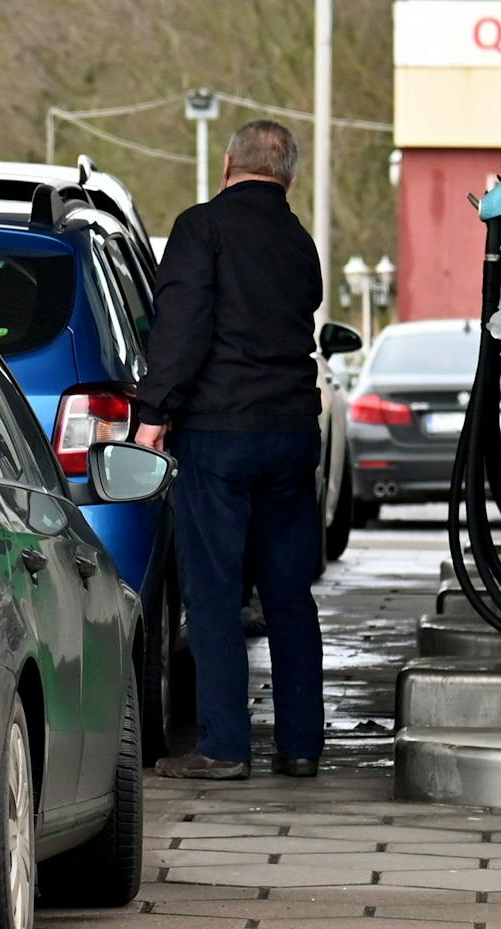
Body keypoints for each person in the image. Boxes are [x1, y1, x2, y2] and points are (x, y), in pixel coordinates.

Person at [133, 119, 324, 780]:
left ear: (226, 163)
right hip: (293, 434)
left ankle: (225, 745)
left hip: (218, 434)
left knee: (213, 591)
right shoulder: (301, 242)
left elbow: (182, 326)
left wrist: (153, 412)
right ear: (289, 176)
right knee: (287, 591)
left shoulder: (200, 229)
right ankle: (301, 744)